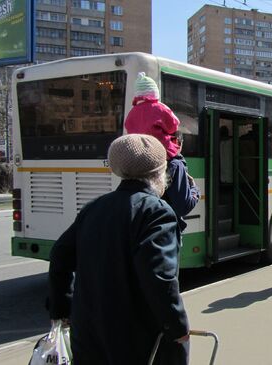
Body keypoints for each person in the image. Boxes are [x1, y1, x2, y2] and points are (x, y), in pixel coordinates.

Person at [48, 134, 190, 364]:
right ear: (159, 173)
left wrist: (62, 309)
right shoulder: (156, 211)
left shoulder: (94, 207)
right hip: (135, 339)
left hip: (89, 334)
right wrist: (177, 326)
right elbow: (159, 276)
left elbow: (60, 256)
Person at [125, 72, 200, 230]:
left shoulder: (132, 114)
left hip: (142, 153)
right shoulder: (173, 164)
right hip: (163, 150)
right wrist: (194, 189)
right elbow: (173, 124)